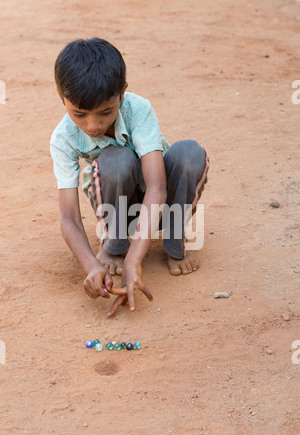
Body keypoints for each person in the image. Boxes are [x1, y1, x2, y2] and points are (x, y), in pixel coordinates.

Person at [50, 38, 209, 317]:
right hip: (118, 208)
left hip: (161, 204)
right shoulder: (63, 138)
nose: (93, 125)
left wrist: (135, 261)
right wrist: (91, 265)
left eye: (105, 112)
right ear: (60, 96)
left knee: (188, 153)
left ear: (122, 94)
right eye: (79, 114)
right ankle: (114, 245)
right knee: (116, 159)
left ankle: (174, 241)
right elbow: (69, 218)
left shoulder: (138, 109)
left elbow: (158, 187)